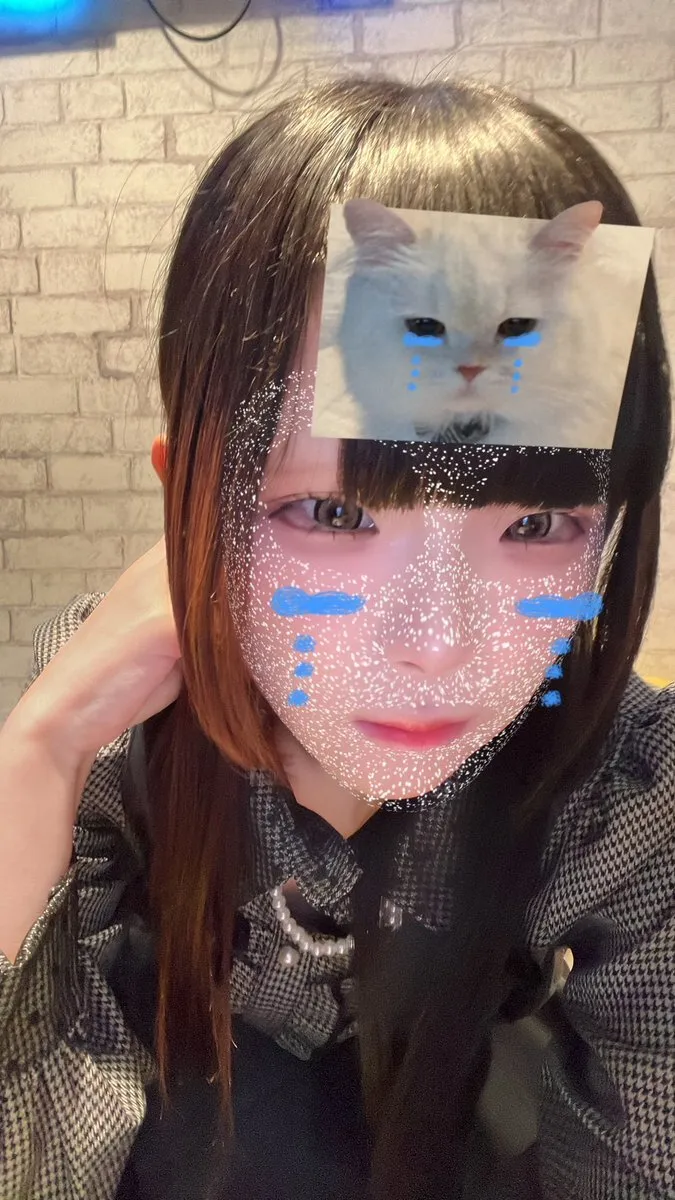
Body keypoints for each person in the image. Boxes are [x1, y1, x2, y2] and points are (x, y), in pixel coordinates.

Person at [0, 76, 673, 1200]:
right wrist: (39, 748)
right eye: (334, 512)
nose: (437, 646)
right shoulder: (118, 716)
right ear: (186, 497)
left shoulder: (617, 781)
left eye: (536, 525)